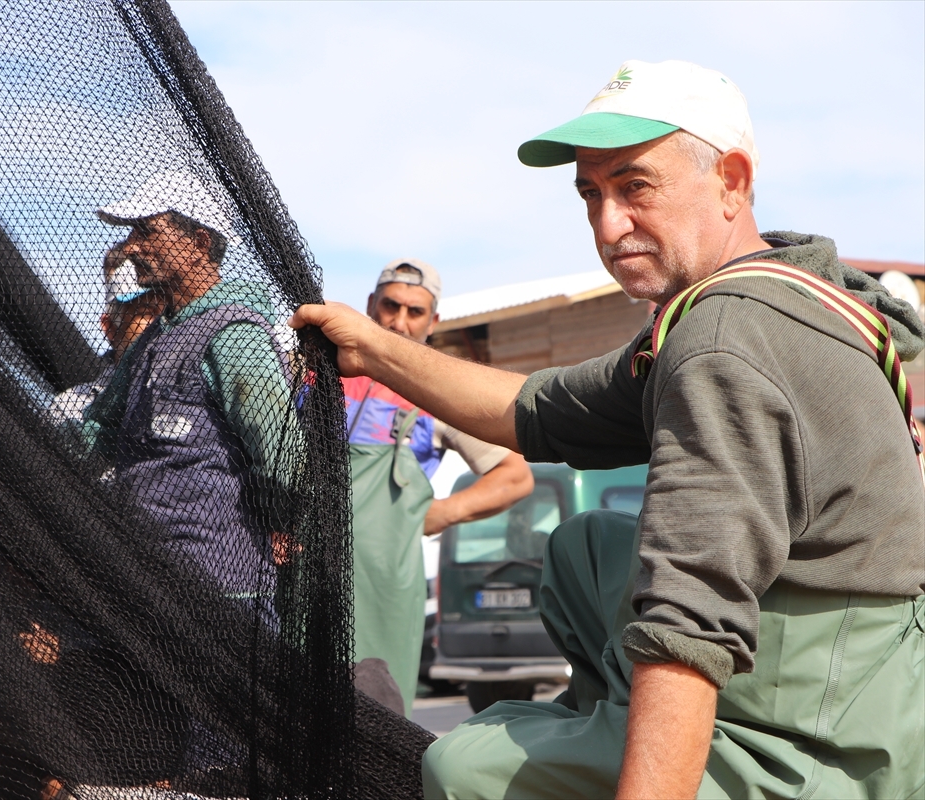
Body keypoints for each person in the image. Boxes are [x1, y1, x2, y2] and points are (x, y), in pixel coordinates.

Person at [293, 59, 925, 799]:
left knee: (462, 768)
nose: (607, 224)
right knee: (584, 548)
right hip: (860, 671)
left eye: (636, 187)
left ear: (732, 179)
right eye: (591, 194)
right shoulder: (781, 290)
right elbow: (537, 409)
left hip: (820, 734)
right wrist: (371, 351)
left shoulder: (723, 345)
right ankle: (605, 730)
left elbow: (688, 630)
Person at [85, 170, 303, 625]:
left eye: (146, 230)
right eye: (130, 232)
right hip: (143, 581)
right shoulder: (156, 338)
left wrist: (285, 522)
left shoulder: (235, 335)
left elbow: (283, 452)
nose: (130, 245)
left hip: (221, 594)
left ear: (199, 242)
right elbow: (98, 429)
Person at [347, 258, 534, 716]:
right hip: (301, 565)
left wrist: (436, 515)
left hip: (385, 583)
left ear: (434, 322)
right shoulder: (322, 376)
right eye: (391, 306)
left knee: (375, 709)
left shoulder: (437, 395)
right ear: (371, 305)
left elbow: (514, 476)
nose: (399, 321)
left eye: (415, 312)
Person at [48, 243, 165, 424]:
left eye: (166, 313)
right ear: (110, 328)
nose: (160, 323)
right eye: (146, 312)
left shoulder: (195, 392)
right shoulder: (72, 407)